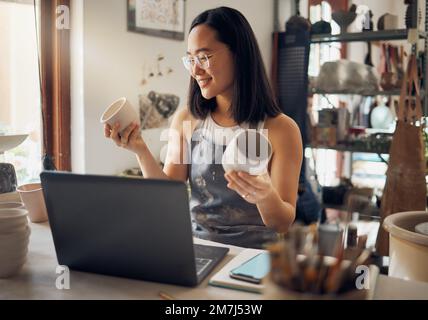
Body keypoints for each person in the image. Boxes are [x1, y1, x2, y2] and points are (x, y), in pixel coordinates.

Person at [104, 7, 303, 249]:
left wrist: (265, 195)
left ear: (238, 54)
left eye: (204, 57)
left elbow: (281, 223)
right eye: (191, 59)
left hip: (251, 257)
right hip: (195, 249)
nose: (195, 70)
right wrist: (140, 150)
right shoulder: (187, 119)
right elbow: (169, 198)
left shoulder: (282, 129)